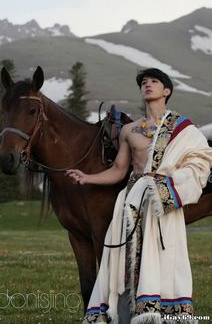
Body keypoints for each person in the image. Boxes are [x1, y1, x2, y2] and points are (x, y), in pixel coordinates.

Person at [66, 68, 212, 324]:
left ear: (166, 91)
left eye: (154, 81)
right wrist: (87, 178)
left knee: (165, 259)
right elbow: (118, 170)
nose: (148, 85)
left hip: (161, 202)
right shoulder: (129, 131)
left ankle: (161, 315)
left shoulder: (183, 129)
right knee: (122, 260)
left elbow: (201, 159)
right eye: (144, 82)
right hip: (132, 201)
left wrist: (169, 184)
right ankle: (124, 315)